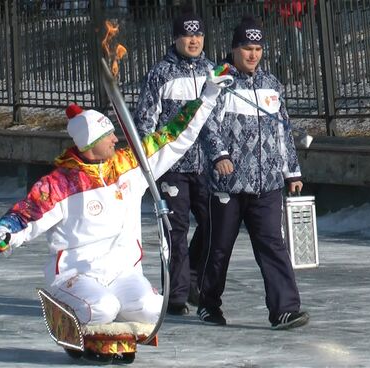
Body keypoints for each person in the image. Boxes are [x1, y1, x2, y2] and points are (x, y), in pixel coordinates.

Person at [0, 69, 231, 332]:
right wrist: (7, 232)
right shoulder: (60, 183)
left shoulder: (129, 165)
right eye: (108, 136)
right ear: (90, 143)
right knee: (103, 308)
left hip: (122, 272)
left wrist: (208, 94)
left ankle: (108, 317)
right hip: (76, 274)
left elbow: (174, 135)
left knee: (153, 309)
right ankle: (65, 306)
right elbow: (26, 214)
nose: (116, 138)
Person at [198, 15, 310, 330]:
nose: (253, 54)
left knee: (273, 245)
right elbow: (206, 124)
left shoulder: (271, 85)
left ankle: (284, 309)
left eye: (258, 48)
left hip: (267, 185)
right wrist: (219, 155)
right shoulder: (219, 81)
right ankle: (208, 303)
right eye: (247, 48)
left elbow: (283, 131)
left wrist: (292, 172)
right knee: (219, 247)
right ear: (235, 49)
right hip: (228, 185)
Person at [134, 5, 214, 316]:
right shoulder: (161, 73)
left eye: (198, 34)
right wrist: (148, 163)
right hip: (172, 167)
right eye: (187, 35)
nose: (193, 41)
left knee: (215, 225)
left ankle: (192, 277)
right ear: (176, 37)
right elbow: (145, 120)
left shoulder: (212, 72)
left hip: (207, 165)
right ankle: (177, 295)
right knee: (175, 230)